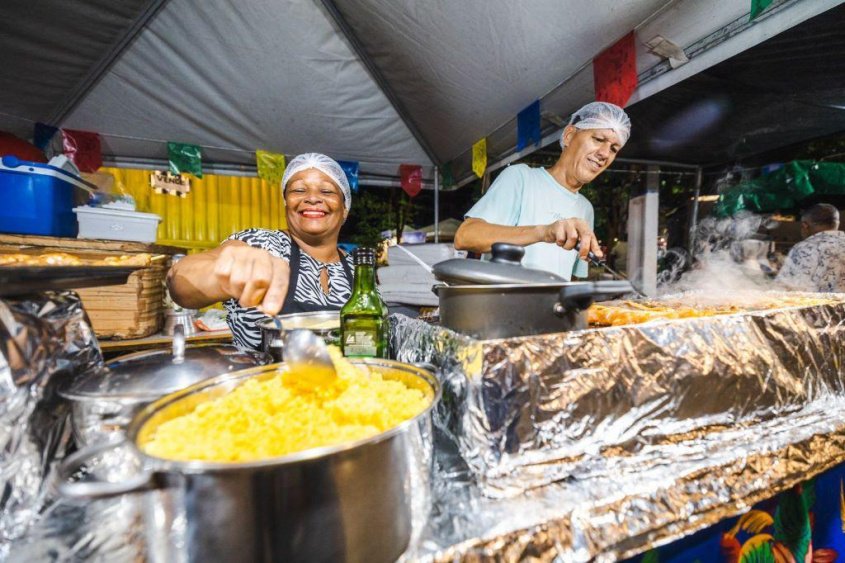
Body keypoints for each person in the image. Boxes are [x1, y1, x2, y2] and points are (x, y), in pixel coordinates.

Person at [167, 153, 354, 350]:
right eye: (299, 190)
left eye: (326, 191)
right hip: (264, 378)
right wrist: (223, 273)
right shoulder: (260, 244)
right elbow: (180, 280)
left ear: (345, 208)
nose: (312, 198)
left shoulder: (358, 269)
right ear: (286, 203)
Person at [454, 101, 631, 280]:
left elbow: (572, 277)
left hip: (551, 308)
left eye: (614, 149)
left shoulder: (585, 209)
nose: (605, 154)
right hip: (503, 306)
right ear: (569, 135)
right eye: (599, 139)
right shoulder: (521, 178)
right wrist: (544, 232)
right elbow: (465, 236)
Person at [775, 203, 845, 292]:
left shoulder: (804, 248)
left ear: (805, 226)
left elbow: (783, 288)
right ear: (837, 223)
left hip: (819, 305)